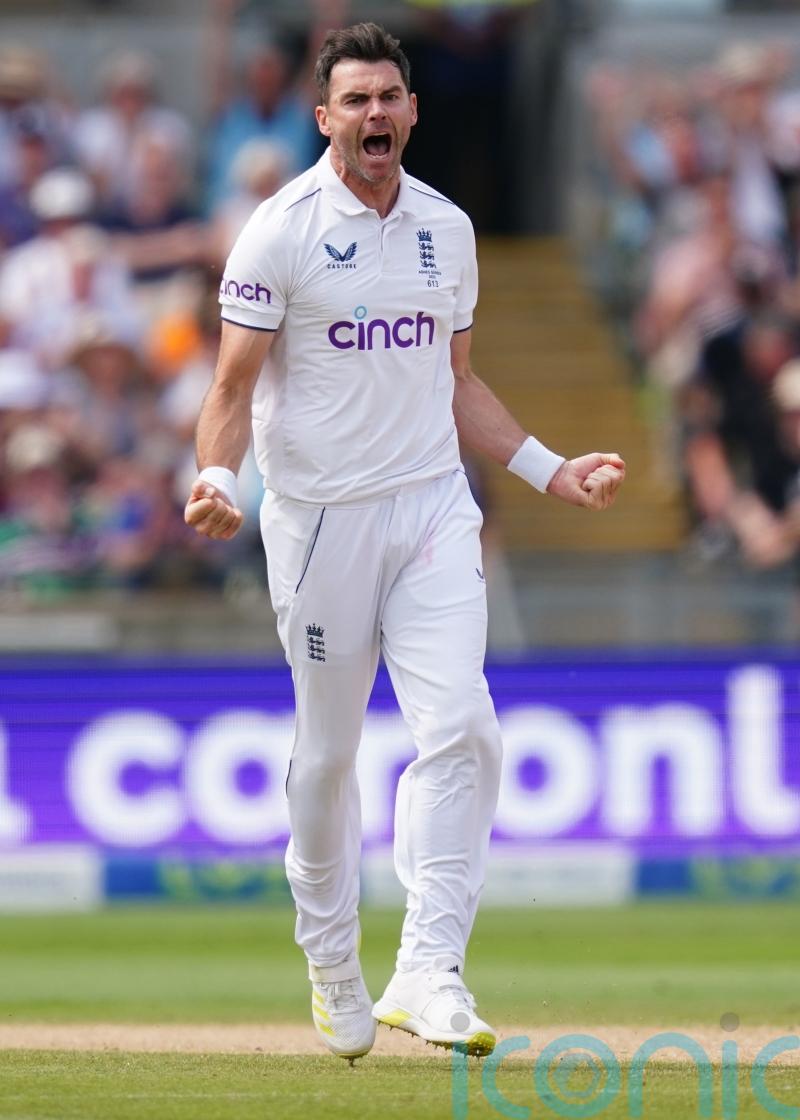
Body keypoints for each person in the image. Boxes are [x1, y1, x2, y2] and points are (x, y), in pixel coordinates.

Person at [185, 22, 625, 1062]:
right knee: (328, 760)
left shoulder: (446, 228)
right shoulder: (279, 231)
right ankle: (332, 959)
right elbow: (229, 389)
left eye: (390, 96)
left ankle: (429, 970)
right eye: (355, 100)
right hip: (319, 522)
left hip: (430, 506)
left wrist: (545, 469)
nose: (374, 114)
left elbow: (456, 382)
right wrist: (212, 481)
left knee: (466, 728)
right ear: (324, 115)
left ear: (412, 110)